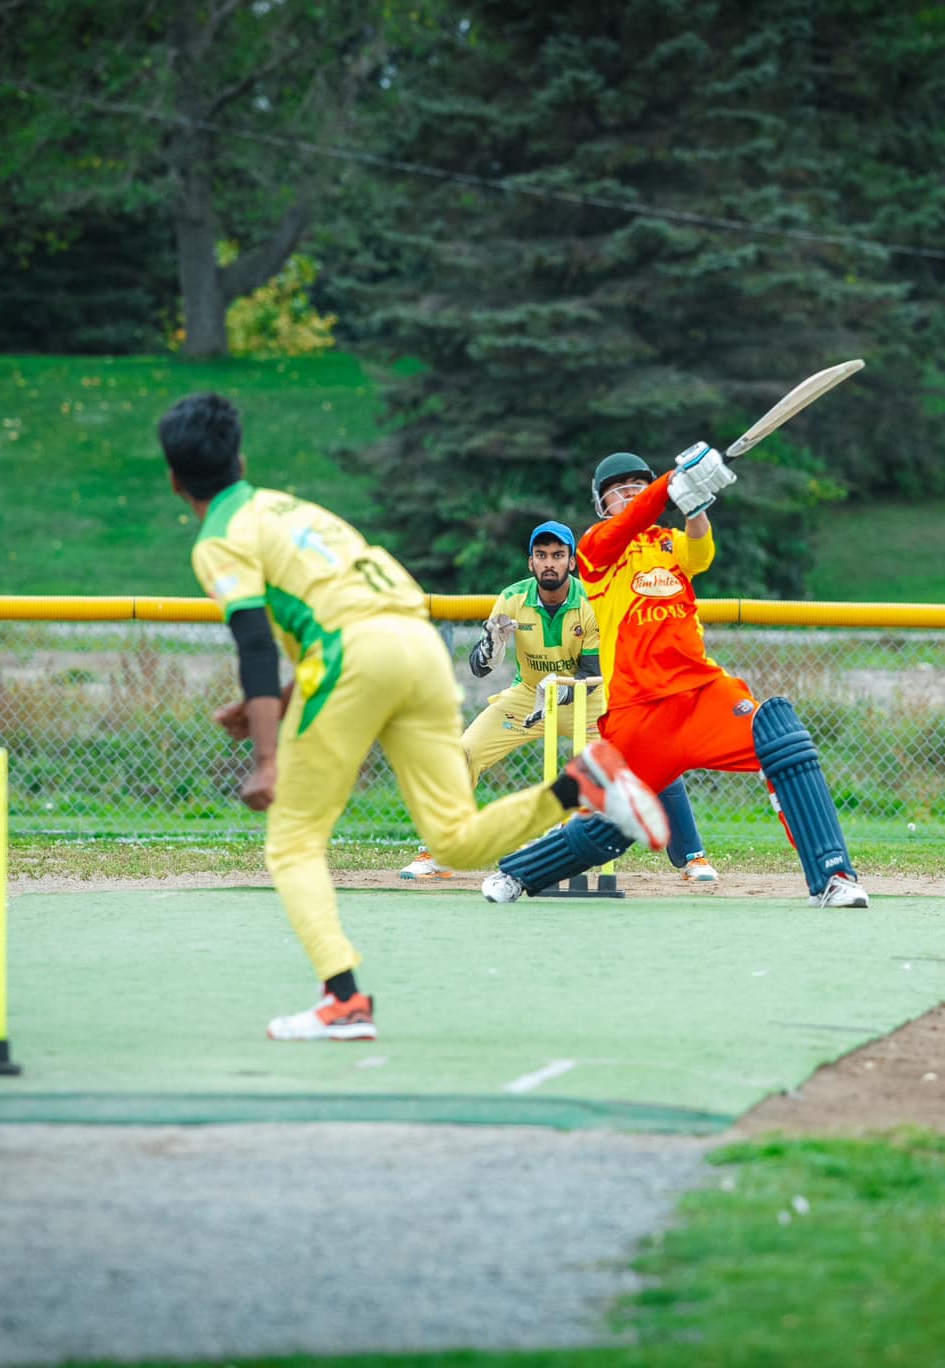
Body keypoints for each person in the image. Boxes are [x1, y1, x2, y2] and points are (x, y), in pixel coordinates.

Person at [158, 392, 667, 1042]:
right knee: (454, 838)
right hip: (417, 646)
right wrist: (282, 705)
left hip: (356, 657)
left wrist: (266, 756)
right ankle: (580, 784)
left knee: (292, 840)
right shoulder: (291, 508)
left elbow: (258, 644)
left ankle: (342, 1002)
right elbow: (346, 612)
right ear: (242, 458)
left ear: (176, 480)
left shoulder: (218, 540)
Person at [482, 447, 870, 908]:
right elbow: (629, 521)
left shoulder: (668, 543)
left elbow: (701, 551)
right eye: (617, 493)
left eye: (636, 489)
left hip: (701, 693)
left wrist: (697, 504)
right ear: (601, 506)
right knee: (609, 824)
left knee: (780, 737)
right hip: (637, 710)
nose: (629, 498)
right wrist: (668, 484)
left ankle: (834, 878)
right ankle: (517, 874)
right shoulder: (595, 549)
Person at [398, 519, 718, 883]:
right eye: (541, 555)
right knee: (462, 753)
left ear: (571, 562)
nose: (549, 562)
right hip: (527, 698)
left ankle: (694, 858)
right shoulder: (512, 598)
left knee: (653, 755)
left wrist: (555, 693)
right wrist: (492, 645)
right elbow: (480, 669)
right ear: (530, 562)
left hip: (589, 700)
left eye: (558, 555)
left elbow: (591, 673)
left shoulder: (592, 600)